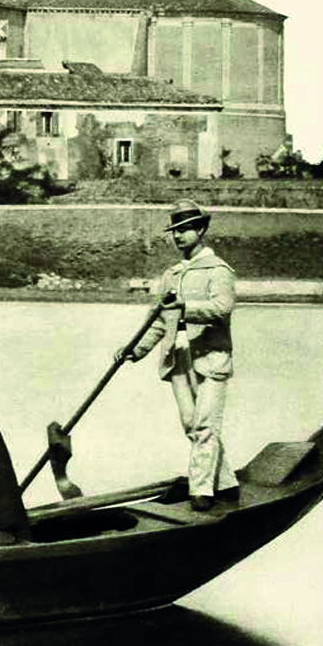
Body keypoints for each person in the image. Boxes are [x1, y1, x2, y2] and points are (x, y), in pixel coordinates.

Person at [118, 200, 240, 512]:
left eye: (185, 230)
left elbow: (222, 309)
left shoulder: (219, 270)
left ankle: (201, 490)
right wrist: (135, 350)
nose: (178, 236)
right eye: (175, 231)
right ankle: (226, 484)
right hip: (178, 357)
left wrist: (185, 307)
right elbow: (158, 321)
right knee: (191, 424)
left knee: (205, 424)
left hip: (212, 358)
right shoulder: (171, 274)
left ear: (201, 230)